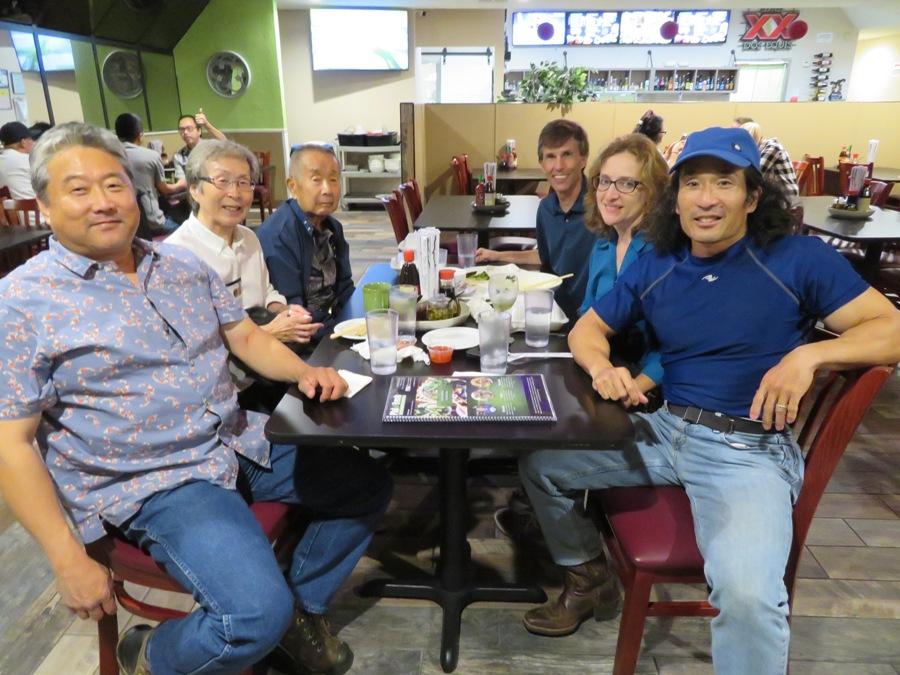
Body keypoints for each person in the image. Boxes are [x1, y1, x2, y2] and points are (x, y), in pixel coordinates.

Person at [0, 122, 392, 675]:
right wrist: (66, 559)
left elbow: (246, 336)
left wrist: (306, 373)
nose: (103, 203)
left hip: (233, 439)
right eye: (79, 189)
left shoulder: (180, 265)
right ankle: (152, 654)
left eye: (114, 185)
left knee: (368, 483)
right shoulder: (22, 301)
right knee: (251, 616)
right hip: (154, 478)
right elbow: (10, 444)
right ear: (44, 203)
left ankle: (299, 613)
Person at [518, 127, 900, 673]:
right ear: (675, 198)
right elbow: (587, 330)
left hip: (748, 452)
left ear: (752, 196)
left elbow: (892, 327)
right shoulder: (659, 263)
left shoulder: (796, 259)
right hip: (665, 429)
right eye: (692, 183)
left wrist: (808, 357)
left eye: (725, 182)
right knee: (541, 463)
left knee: (747, 598)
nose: (706, 197)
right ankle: (590, 577)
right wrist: (602, 369)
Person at [494, 133, 668, 543]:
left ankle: (568, 543)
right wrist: (594, 366)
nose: (610, 193)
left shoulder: (663, 253)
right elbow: (589, 320)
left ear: (654, 191)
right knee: (524, 394)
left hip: (650, 389)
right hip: (605, 368)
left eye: (627, 184)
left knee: (539, 429)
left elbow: (677, 348)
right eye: (605, 182)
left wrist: (635, 386)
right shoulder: (606, 244)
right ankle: (542, 510)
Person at [167, 138, 322, 411]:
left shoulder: (248, 238)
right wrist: (268, 332)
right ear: (194, 189)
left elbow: (266, 293)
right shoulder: (177, 256)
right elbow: (190, 351)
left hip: (265, 367)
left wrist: (284, 311)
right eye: (222, 181)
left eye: (244, 182)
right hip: (222, 392)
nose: (235, 193)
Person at [476, 119, 598, 320]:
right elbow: (544, 257)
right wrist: (497, 255)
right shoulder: (546, 209)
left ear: (583, 159)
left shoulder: (601, 208)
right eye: (550, 157)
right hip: (555, 310)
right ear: (542, 164)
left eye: (567, 155)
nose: (558, 166)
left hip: (590, 317)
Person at [256, 143, 355, 343]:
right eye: (316, 180)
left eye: (334, 179)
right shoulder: (279, 236)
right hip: (302, 341)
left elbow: (345, 289)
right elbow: (295, 313)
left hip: (331, 325)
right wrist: (346, 332)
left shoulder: (333, 227)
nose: (327, 189)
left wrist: (367, 318)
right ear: (292, 186)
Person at [114, 112, 183, 235]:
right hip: (152, 223)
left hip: (123, 223)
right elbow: (165, 190)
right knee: (183, 231)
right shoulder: (151, 156)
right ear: (140, 135)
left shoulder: (109, 156)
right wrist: (182, 184)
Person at [165, 109, 227, 225]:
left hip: (215, 192)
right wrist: (169, 188)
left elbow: (225, 142)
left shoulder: (210, 147)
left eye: (189, 128)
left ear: (199, 131)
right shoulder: (179, 155)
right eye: (182, 130)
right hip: (194, 196)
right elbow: (182, 181)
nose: (185, 133)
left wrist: (207, 125)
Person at [742, 121, 800, 197]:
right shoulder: (759, 150)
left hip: (786, 197)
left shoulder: (772, 148)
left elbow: (755, 173)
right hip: (773, 195)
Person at [0, 121, 36, 198]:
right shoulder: (29, 160)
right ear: (23, 143)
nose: (34, 143)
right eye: (31, 140)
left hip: (10, 209)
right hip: (37, 208)